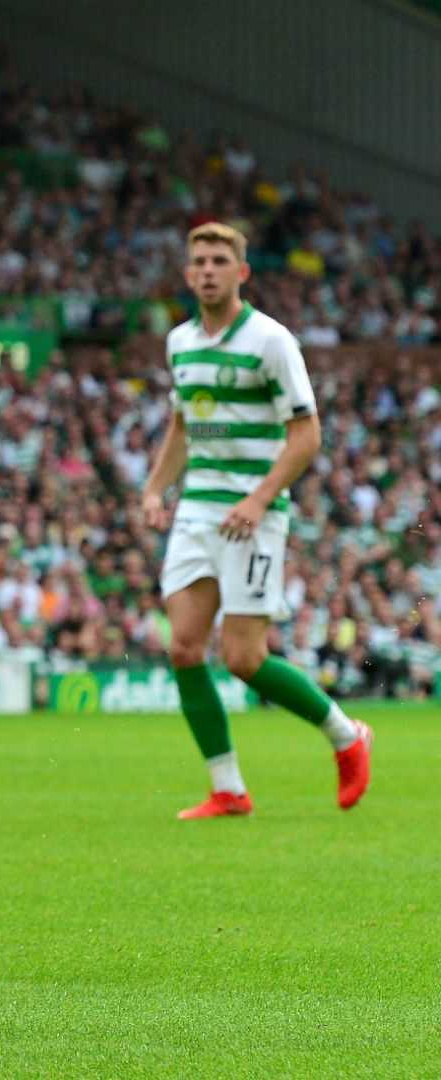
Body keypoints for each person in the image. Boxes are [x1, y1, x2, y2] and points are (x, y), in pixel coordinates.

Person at [140, 222, 372, 820]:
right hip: (197, 509)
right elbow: (184, 424)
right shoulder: (179, 342)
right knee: (184, 647)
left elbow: (307, 434)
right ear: (187, 273)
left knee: (244, 658)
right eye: (199, 261)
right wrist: (155, 487)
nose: (208, 270)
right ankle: (228, 788)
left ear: (241, 272)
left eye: (219, 260)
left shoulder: (271, 341)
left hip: (253, 515)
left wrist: (260, 498)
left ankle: (346, 736)